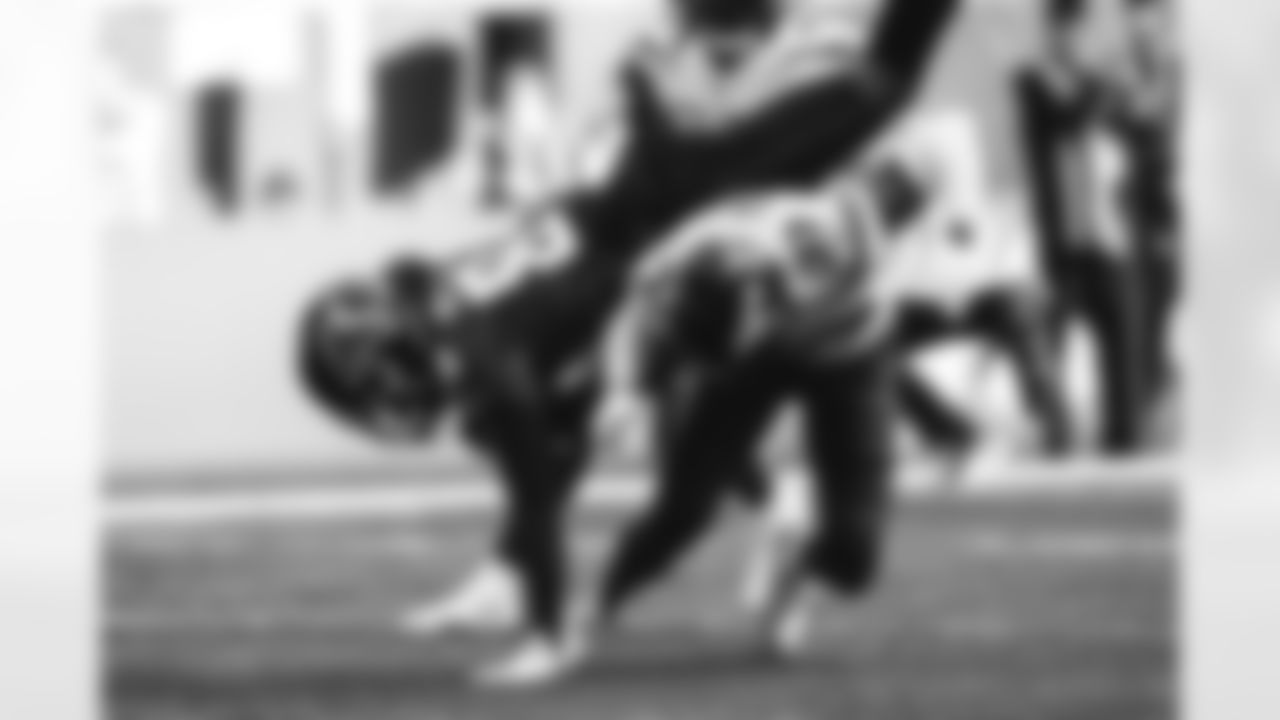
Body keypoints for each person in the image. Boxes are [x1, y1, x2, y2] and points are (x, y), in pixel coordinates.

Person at [309, 0, 963, 689]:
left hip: (674, 220)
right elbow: (432, 279)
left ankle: (543, 594)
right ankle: (518, 576)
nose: (389, 400)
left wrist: (548, 639)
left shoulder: (494, 365)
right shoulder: (436, 292)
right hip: (638, 210)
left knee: (884, 83)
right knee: (592, 443)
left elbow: (539, 487)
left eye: (384, 382)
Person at [1014, 0, 1145, 455]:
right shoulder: (1032, 82)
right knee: (1049, 340)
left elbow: (1129, 135)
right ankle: (1054, 433)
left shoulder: (1097, 82)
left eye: (1078, 28)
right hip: (1062, 240)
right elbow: (1068, 118)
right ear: (1050, 29)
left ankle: (1123, 436)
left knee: (1120, 335)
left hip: (1107, 231)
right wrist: (1108, 85)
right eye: (1064, 27)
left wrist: (1124, 95)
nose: (1072, 37)